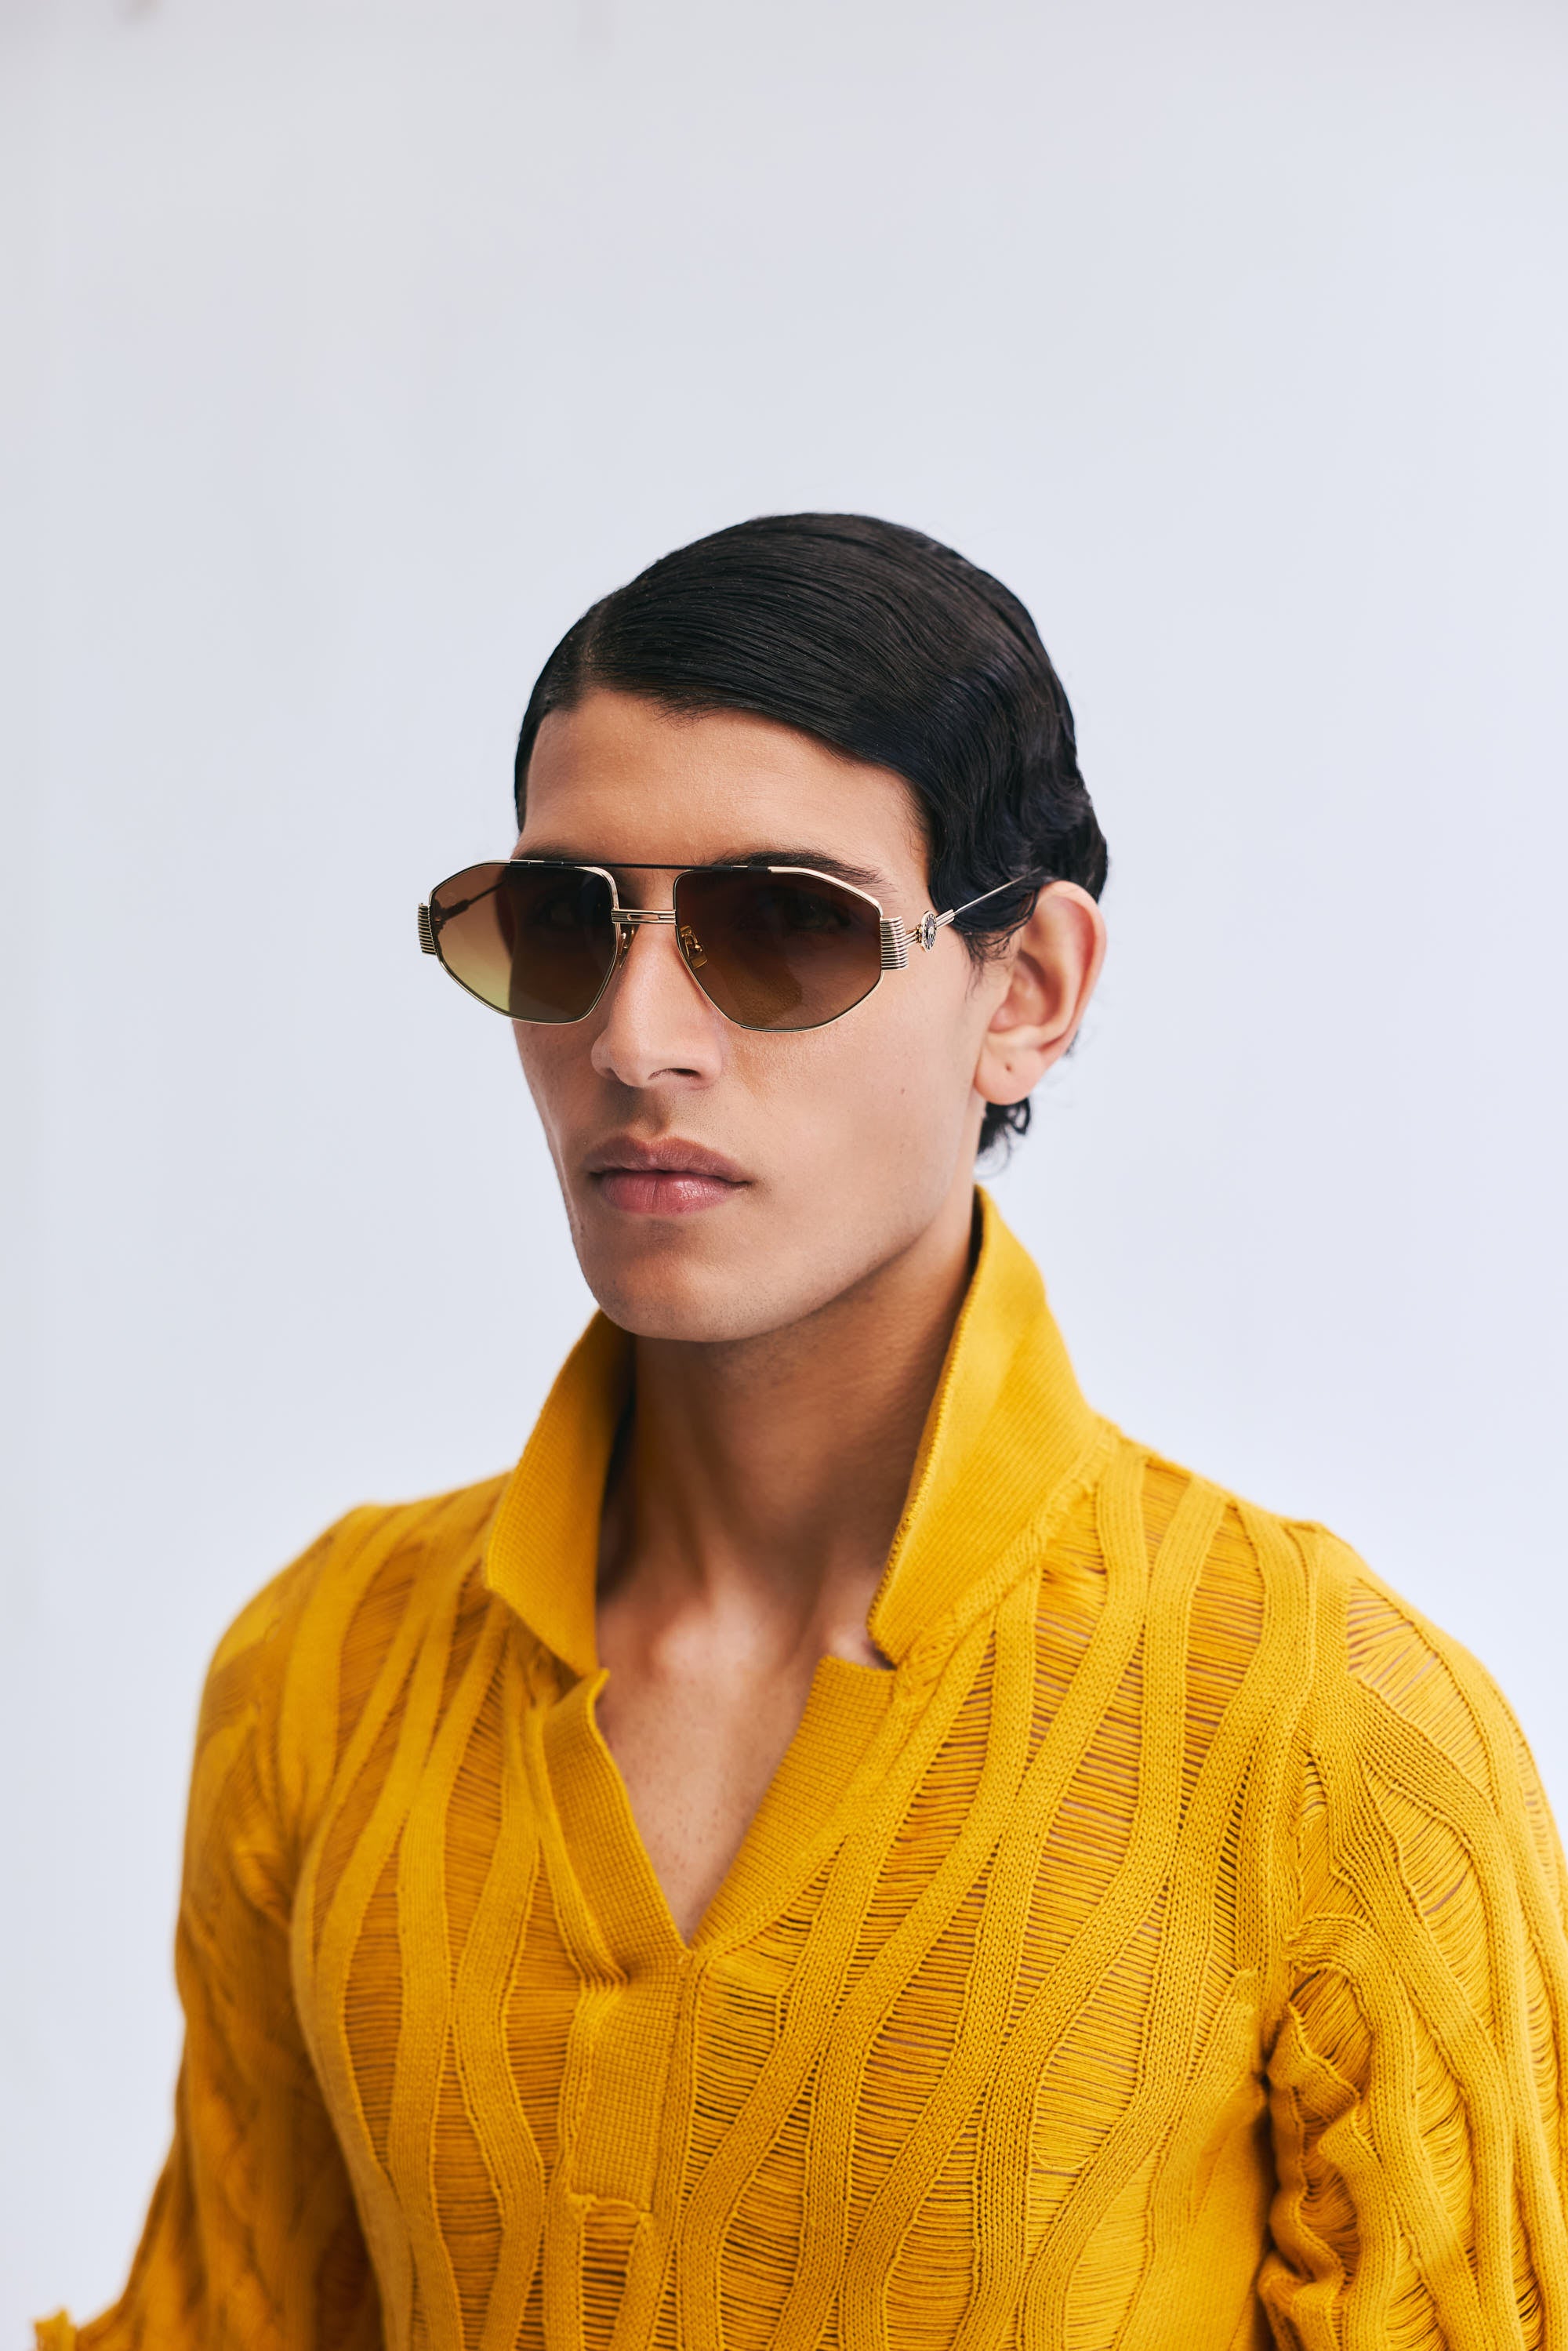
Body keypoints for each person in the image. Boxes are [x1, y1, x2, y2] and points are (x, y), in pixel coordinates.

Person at [40, 513, 1568, 2351]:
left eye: (783, 925)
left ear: (1025, 992)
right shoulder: (327, 1677)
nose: (636, 1039)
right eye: (563, 921)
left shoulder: (1327, 1740)